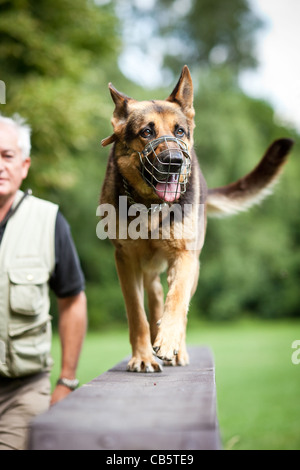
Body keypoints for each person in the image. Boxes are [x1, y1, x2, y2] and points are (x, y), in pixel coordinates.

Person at [0, 114, 87, 450]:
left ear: (24, 165)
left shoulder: (48, 220)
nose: (0, 166)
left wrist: (66, 380)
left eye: (7, 156)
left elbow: (72, 300)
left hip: (21, 392)